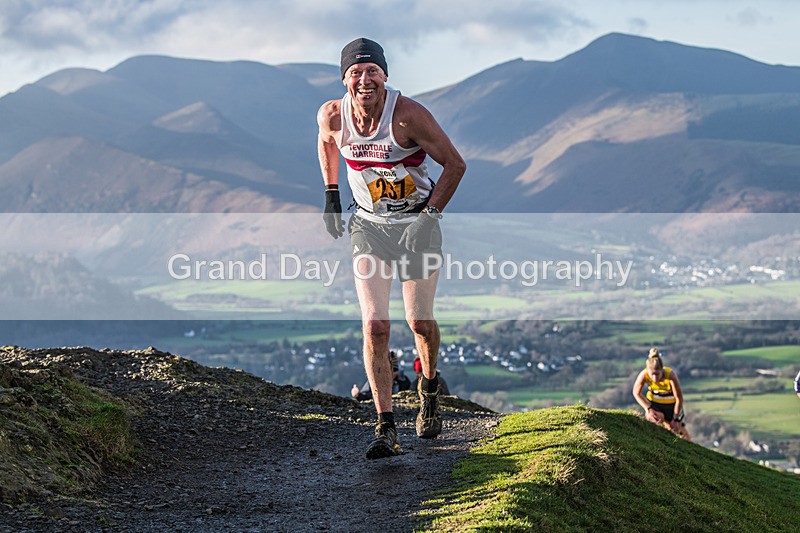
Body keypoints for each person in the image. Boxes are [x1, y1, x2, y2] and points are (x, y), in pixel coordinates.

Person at [318, 37, 466, 459]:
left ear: (385, 75)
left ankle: (429, 388)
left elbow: (456, 165)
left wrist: (429, 217)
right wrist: (331, 195)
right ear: (345, 79)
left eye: (372, 71)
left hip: (418, 222)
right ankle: (385, 428)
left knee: (419, 323)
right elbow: (327, 143)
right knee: (375, 326)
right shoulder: (332, 114)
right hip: (369, 225)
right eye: (355, 73)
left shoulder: (409, 116)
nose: (364, 80)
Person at [632, 348, 691, 441]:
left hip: (672, 406)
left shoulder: (670, 375)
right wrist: (648, 409)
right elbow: (636, 392)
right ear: (648, 370)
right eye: (652, 374)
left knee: (677, 430)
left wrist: (676, 419)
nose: (654, 378)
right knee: (655, 421)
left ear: (662, 370)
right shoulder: (644, 374)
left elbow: (679, 398)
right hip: (655, 404)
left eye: (657, 374)